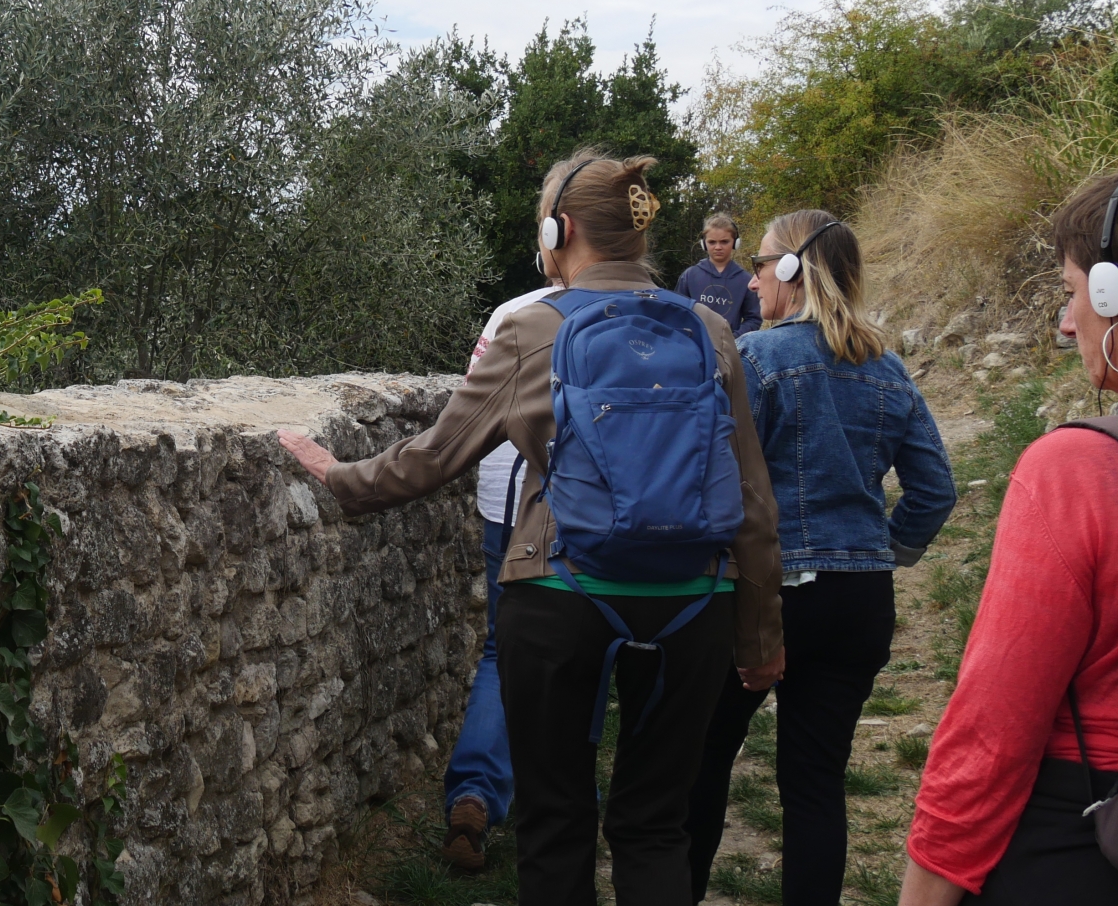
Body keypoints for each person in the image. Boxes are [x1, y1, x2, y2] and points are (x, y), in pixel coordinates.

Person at [280, 150, 785, 906]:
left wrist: (338, 476)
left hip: (559, 594)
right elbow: (752, 497)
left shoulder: (529, 328)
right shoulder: (710, 329)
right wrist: (760, 637)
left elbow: (436, 455)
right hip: (693, 603)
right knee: (656, 826)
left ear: (560, 230)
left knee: (555, 821)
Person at [903, 151, 1118, 905]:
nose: (1067, 324)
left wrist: (926, 889)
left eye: (1072, 293)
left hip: (1097, 840)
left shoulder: (1082, 471)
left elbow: (992, 732)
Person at [682, 211, 956, 904]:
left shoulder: (755, 358)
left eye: (760, 264)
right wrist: (883, 551)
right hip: (859, 601)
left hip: (766, 594)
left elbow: (710, 475)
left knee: (704, 759)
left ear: (791, 270)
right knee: (815, 783)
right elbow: (934, 490)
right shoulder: (888, 368)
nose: (752, 280)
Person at [441, 280, 559, 871]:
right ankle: (562, 801)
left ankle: (475, 792)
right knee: (589, 653)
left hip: (507, 504)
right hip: (600, 512)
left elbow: (471, 405)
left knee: (501, 650)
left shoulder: (514, 312)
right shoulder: (650, 311)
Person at [675, 213, 763, 337]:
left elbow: (754, 319)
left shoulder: (746, 280)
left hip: (731, 346)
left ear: (735, 243)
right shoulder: (690, 276)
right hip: (695, 344)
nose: (718, 247)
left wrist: (732, 339)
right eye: (712, 242)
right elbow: (678, 312)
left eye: (724, 242)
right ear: (704, 244)